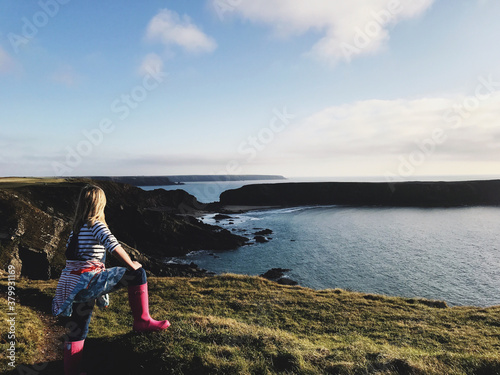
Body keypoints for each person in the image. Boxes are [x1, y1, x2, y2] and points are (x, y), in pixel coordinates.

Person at [52, 184, 170, 375]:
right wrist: (132, 264)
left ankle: (70, 371)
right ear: (100, 205)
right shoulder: (96, 225)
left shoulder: (77, 229)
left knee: (79, 327)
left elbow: (71, 256)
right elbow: (113, 245)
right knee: (138, 274)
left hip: (75, 285)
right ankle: (142, 321)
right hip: (90, 280)